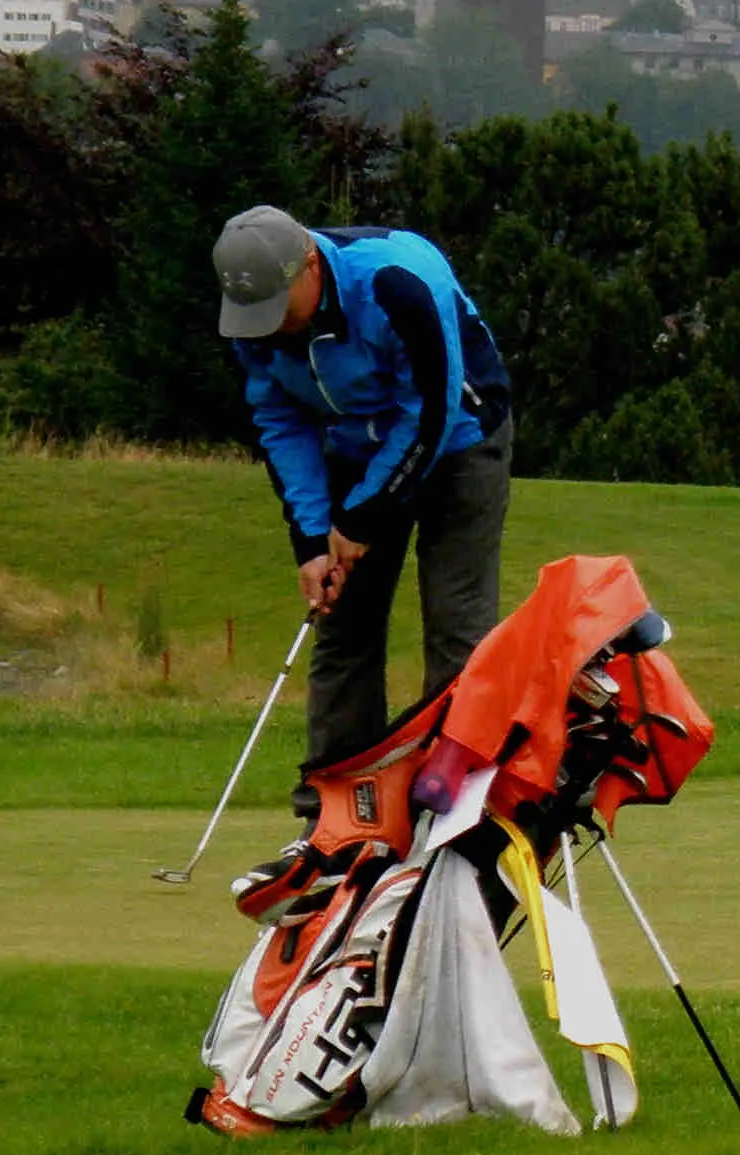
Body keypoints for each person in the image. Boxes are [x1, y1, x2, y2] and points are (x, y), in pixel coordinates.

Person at [212, 205, 515, 773]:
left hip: (461, 438)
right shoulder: (255, 321)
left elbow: (429, 413)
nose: (269, 324)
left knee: (458, 630)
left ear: (309, 264)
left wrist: (362, 518)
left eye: (278, 305)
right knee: (343, 626)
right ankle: (337, 816)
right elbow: (280, 422)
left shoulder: (394, 281)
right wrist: (312, 540)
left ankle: (454, 808)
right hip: (357, 444)